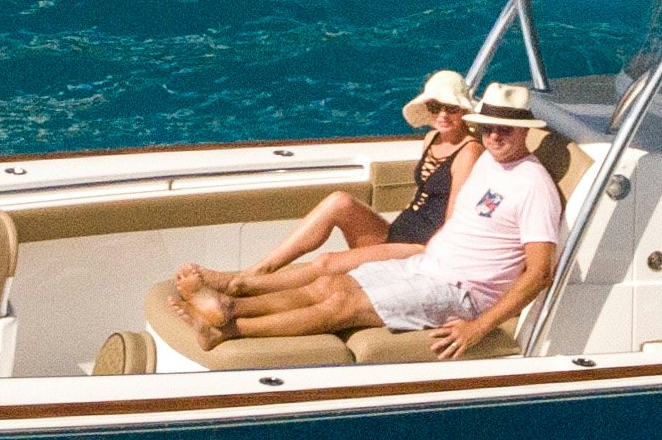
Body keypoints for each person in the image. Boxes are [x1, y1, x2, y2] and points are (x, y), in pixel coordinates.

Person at [188, 84, 565, 360]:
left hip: (464, 292)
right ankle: (230, 306)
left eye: (505, 129)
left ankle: (227, 330)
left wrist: (478, 327)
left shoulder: (533, 186)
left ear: (525, 131)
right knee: (329, 282)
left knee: (343, 303)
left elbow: (539, 273)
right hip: (427, 265)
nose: (495, 136)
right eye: (488, 128)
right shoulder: (486, 159)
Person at [176, 70, 472, 303]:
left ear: (463, 110)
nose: (442, 115)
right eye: (435, 107)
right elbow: (422, 198)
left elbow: (453, 222)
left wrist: (418, 256)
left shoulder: (469, 152)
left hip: (420, 251)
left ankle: (238, 285)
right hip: (396, 234)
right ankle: (259, 271)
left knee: (328, 262)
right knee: (339, 201)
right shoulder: (431, 139)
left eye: (450, 108)